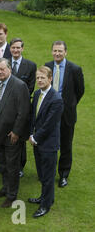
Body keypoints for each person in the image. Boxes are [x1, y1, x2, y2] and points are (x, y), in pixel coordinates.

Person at [0, 58, 30, 208]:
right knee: (3, 164)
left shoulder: (19, 85)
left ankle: (12, 196)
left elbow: (23, 112)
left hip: (11, 135)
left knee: (12, 167)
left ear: (9, 69)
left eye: (2, 69)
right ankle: (5, 189)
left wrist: (16, 132)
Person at [45, 41, 84, 188]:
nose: (57, 53)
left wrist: (70, 104)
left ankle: (63, 175)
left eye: (60, 51)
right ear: (51, 52)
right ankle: (47, 172)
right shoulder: (47, 66)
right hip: (49, 112)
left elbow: (80, 91)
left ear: (65, 52)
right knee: (48, 143)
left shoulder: (74, 69)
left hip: (66, 113)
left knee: (66, 144)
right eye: (55, 51)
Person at [28, 66, 64, 218]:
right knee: (42, 174)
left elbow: (49, 124)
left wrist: (35, 138)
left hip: (48, 144)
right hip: (37, 141)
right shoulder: (37, 94)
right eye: (38, 78)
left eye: (43, 78)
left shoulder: (56, 99)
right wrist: (30, 133)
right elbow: (33, 117)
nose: (40, 80)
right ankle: (46, 197)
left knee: (48, 176)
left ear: (50, 79)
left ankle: (45, 205)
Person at [10, 37, 37, 177]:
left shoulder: (31, 66)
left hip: (22, 107)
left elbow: (30, 87)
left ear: (22, 49)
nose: (16, 50)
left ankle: (20, 166)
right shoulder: (5, 63)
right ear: (10, 49)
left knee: (20, 137)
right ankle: (8, 164)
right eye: (13, 48)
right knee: (7, 136)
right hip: (7, 107)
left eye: (18, 47)